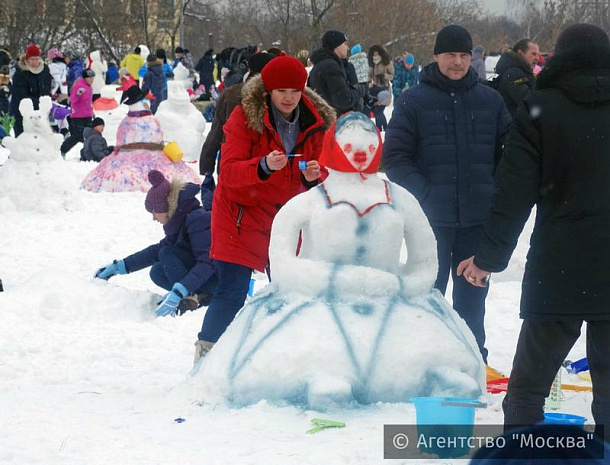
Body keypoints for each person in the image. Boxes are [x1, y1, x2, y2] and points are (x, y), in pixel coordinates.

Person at [457, 23, 610, 441]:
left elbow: (513, 192)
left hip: (559, 264)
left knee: (526, 391)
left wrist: (488, 258)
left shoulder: (541, 107)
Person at [193, 55, 336, 363]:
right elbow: (228, 174)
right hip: (240, 216)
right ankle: (206, 357)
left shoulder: (315, 122)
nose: (288, 97)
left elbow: (326, 171)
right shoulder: (244, 118)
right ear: (269, 90)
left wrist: (312, 176)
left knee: (289, 291)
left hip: (284, 221)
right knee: (232, 291)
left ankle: (283, 359)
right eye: (281, 91)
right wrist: (261, 166)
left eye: (295, 91)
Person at [382, 25, 511, 363]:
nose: (457, 62)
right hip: (431, 223)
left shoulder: (491, 100)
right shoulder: (413, 101)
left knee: (472, 300)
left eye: (464, 55)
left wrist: (493, 189)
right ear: (436, 56)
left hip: (476, 221)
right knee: (427, 296)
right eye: (451, 55)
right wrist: (425, 196)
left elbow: (510, 155)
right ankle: (424, 360)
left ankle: (471, 360)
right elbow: (395, 158)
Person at [95, 170, 218, 316]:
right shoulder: (179, 219)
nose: (154, 218)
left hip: (219, 280)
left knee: (167, 253)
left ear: (164, 207)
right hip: (206, 279)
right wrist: (120, 266)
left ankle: (188, 299)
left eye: (154, 212)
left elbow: (208, 262)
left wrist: (180, 291)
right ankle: (201, 297)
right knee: (157, 271)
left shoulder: (197, 219)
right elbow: (154, 252)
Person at [199, 52, 276, 176]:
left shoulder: (231, 93)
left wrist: (206, 167)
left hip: (230, 161)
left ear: (249, 69)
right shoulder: (275, 95)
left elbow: (216, 132)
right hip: (265, 166)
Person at [308, 29, 365, 116]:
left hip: (324, 119)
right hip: (333, 121)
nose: (347, 48)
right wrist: (360, 89)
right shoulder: (331, 66)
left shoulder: (319, 65)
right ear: (336, 46)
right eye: (345, 44)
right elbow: (344, 99)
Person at [9, 45, 52, 136]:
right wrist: (40, 103)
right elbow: (21, 95)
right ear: (27, 59)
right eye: (32, 59)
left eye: (37, 59)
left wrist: (47, 101)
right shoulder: (20, 72)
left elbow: (47, 87)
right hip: (22, 111)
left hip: (40, 112)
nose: (34, 62)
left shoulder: (44, 70)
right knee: (24, 138)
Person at [494, 39, 539, 117]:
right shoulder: (513, 73)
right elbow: (528, 101)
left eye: (538, 55)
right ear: (520, 53)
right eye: (533, 54)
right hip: (513, 125)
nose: (537, 58)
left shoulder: (522, 72)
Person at [60, 69, 94, 157]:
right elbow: (72, 100)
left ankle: (87, 154)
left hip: (87, 115)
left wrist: (92, 111)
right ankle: (63, 149)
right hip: (78, 116)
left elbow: (88, 102)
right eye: (89, 78)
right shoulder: (79, 86)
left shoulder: (90, 87)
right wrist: (78, 94)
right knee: (77, 136)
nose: (91, 80)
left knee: (89, 135)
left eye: (92, 78)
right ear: (85, 78)